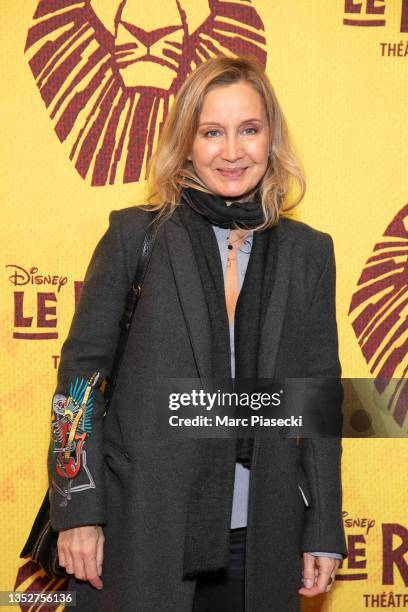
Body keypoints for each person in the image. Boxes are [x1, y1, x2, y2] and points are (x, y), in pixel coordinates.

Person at [49, 56, 348, 612]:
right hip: (141, 525)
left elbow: (317, 400)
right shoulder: (135, 237)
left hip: (264, 535)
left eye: (249, 130)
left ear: (270, 139)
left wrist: (325, 527)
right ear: (186, 142)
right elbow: (80, 384)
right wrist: (79, 511)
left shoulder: (308, 253)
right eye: (212, 132)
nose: (232, 151)